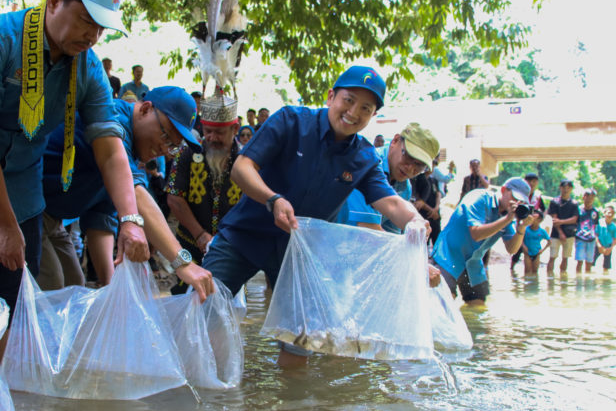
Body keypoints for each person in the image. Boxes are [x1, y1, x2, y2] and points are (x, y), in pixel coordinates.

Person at [202, 66, 430, 365]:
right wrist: (273, 199)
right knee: (205, 306)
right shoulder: (291, 121)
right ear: (331, 96)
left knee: (300, 341)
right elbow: (241, 168)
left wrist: (415, 221)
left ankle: (293, 408)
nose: (353, 112)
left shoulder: (364, 156)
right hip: (245, 234)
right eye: (348, 100)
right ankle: (212, 387)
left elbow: (390, 202)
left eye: (365, 108)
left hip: (301, 255)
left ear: (372, 116)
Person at [0, 0, 150, 359]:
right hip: (5, 206)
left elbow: (110, 150)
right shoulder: (5, 41)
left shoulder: (86, 69)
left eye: (101, 27)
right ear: (53, 2)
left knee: (9, 313)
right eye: (86, 20)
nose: (93, 36)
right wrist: (4, 224)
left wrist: (131, 220)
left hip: (27, 200)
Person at [39, 87, 214, 299]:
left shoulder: (130, 153)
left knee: (73, 286)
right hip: (25, 210)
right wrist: (182, 263)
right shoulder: (111, 119)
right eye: (167, 137)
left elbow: (100, 221)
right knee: (52, 288)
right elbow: (134, 191)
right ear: (146, 109)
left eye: (174, 147)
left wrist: (112, 286)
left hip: (52, 220)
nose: (165, 150)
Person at [166, 96, 242, 294]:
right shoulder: (187, 152)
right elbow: (174, 198)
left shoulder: (245, 159)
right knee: (186, 297)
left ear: (235, 129)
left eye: (220, 132)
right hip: (190, 243)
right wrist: (200, 235)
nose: (212, 138)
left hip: (230, 247)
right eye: (208, 131)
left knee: (224, 301)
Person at [431, 177, 533, 306]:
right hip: (448, 255)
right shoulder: (479, 198)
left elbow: (511, 249)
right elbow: (476, 234)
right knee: (444, 302)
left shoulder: (508, 216)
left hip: (473, 263)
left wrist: (521, 228)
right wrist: (507, 219)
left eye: (520, 201)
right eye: (514, 197)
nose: (516, 202)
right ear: (503, 190)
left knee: (478, 307)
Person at [336, 122, 440, 234]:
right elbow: (367, 230)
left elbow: (392, 232)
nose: (410, 168)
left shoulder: (405, 188)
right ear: (395, 141)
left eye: (420, 165)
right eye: (408, 157)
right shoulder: (365, 163)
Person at [511, 171, 548, 273]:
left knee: (531, 249)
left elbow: (543, 210)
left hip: (531, 227)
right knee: (517, 249)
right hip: (520, 225)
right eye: (529, 181)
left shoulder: (537, 196)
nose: (532, 184)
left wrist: (539, 218)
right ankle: (512, 270)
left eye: (534, 181)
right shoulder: (519, 194)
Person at [546, 179, 579, 275]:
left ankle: (563, 279)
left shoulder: (574, 203)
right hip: (556, 233)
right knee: (552, 257)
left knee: (566, 257)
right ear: (560, 188)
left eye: (568, 187)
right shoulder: (554, 202)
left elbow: (575, 219)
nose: (566, 190)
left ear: (571, 189)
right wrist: (560, 232)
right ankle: (550, 279)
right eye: (564, 187)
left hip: (569, 234)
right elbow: (554, 219)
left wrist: (561, 221)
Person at [411, 161, 442, 247]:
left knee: (436, 238)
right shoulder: (417, 179)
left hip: (434, 214)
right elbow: (418, 200)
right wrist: (431, 210)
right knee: (422, 241)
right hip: (423, 214)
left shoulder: (433, 180)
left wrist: (436, 208)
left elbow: (438, 194)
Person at [575, 188, 600, 273]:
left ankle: (587, 281)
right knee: (579, 261)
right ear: (583, 197)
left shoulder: (595, 212)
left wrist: (597, 239)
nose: (590, 199)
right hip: (580, 238)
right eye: (588, 197)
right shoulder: (578, 210)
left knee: (589, 262)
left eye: (592, 198)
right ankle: (578, 280)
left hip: (591, 239)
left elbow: (595, 225)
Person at [522, 209, 550, 276]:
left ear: (540, 220)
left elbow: (549, 242)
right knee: (527, 272)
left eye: (534, 218)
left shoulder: (542, 231)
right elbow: (520, 240)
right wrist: (524, 246)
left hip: (537, 254)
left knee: (535, 273)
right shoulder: (525, 229)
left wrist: (542, 250)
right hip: (527, 253)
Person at [594, 205, 616, 272]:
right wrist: (599, 245)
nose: (610, 214)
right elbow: (595, 234)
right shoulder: (599, 223)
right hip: (598, 246)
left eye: (612, 213)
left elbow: (615, 238)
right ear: (604, 213)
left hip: (608, 247)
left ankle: (605, 280)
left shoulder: (614, 226)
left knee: (606, 266)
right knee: (591, 263)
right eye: (608, 212)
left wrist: (611, 248)